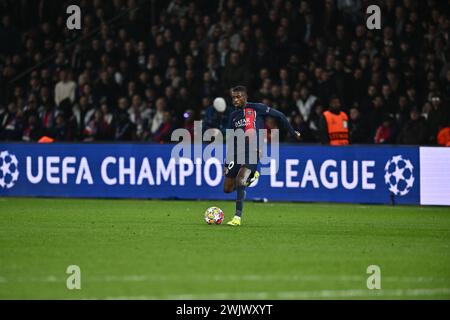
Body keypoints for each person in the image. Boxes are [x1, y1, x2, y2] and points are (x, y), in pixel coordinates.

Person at [224, 86, 301, 226]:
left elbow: (280, 115)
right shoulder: (233, 116)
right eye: (233, 97)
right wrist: (226, 161)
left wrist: (292, 131)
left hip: (253, 149)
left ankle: (237, 217)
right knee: (227, 188)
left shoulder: (257, 108)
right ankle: (252, 177)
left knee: (240, 179)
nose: (235, 99)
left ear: (245, 97)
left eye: (238, 96)